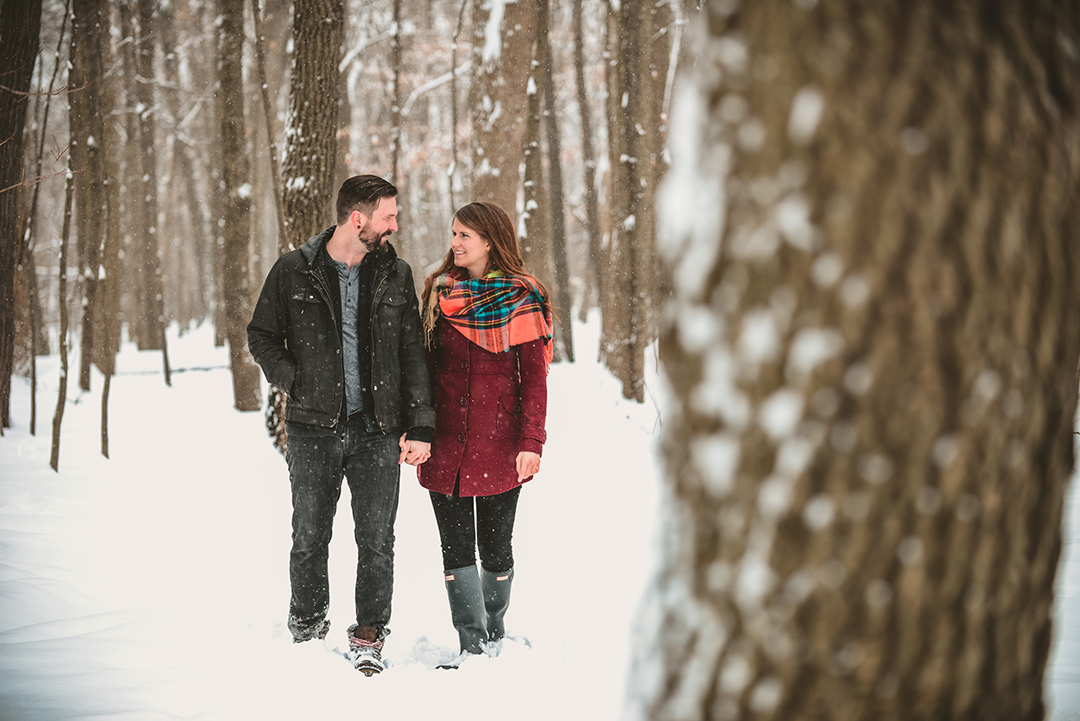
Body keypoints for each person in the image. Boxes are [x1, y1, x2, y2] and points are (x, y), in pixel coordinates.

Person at [246, 174, 435, 676]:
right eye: (388, 216)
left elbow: (412, 354)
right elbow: (261, 336)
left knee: (377, 539)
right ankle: (307, 631)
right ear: (359, 219)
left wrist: (420, 426)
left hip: (377, 428)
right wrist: (297, 381)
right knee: (310, 535)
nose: (395, 224)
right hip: (313, 427)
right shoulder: (294, 271)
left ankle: (369, 634)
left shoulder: (395, 273)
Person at [417, 201, 553, 667]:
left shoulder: (522, 295)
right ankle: (471, 643)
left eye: (464, 236)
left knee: (496, 547)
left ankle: (495, 631)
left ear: (490, 242)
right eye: (453, 233)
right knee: (454, 548)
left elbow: (534, 377)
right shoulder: (439, 292)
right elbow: (423, 367)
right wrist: (416, 426)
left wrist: (532, 442)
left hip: (501, 442)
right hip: (446, 439)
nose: (454, 243)